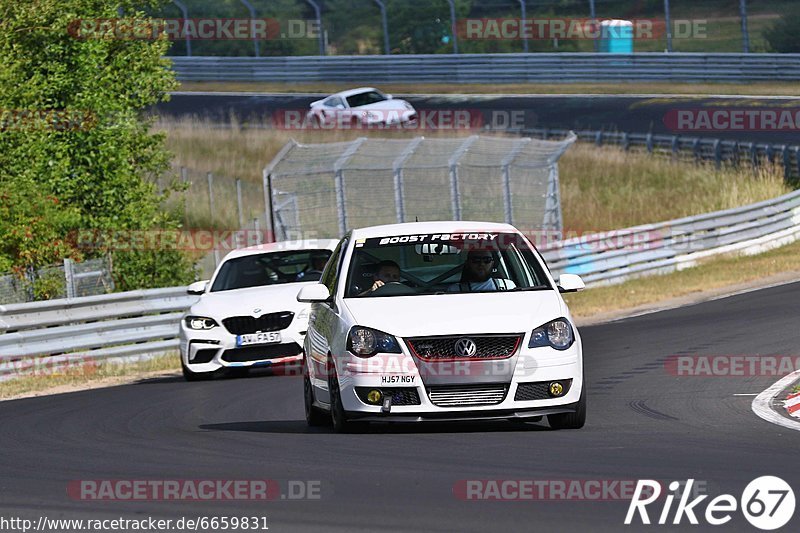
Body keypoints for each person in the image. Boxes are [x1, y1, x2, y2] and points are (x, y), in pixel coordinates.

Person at [448, 250, 513, 292]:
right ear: (467, 263)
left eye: (487, 260)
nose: (481, 264)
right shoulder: (455, 290)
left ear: (492, 263)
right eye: (476, 260)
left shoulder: (507, 286)